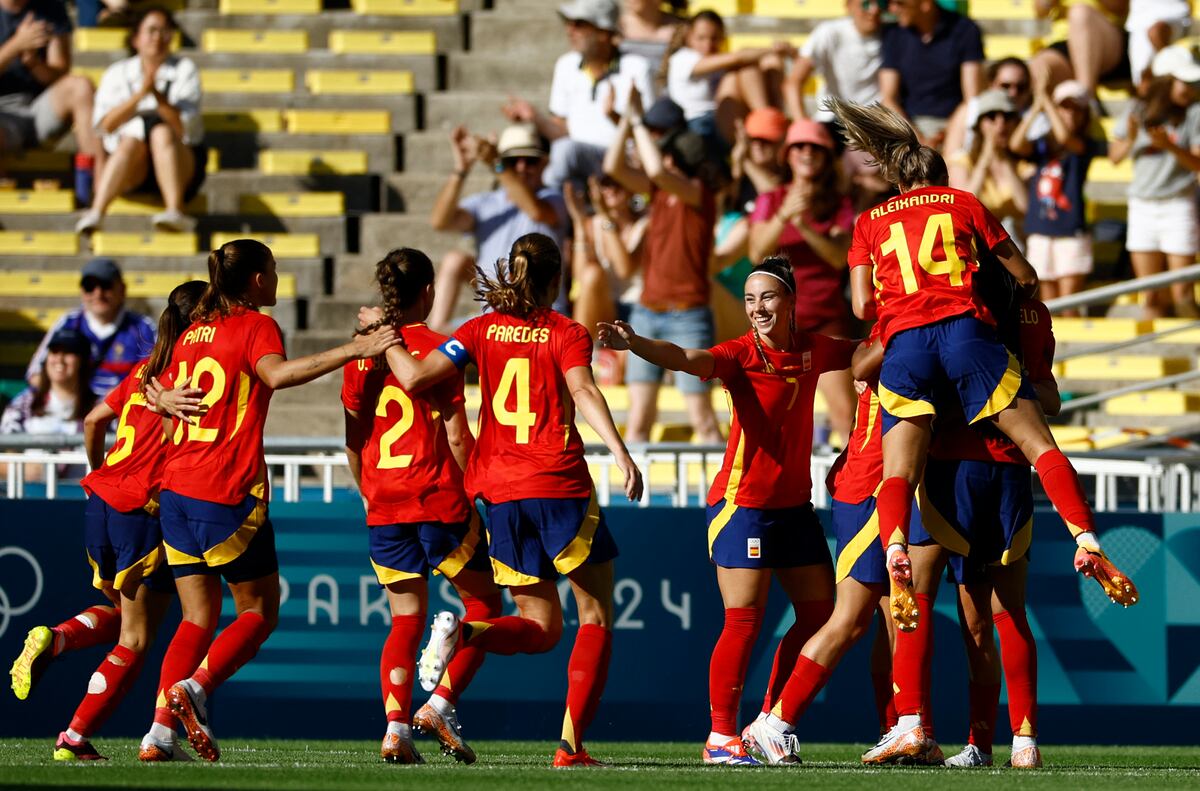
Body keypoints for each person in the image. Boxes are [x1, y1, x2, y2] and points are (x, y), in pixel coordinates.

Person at [826, 96, 1139, 765]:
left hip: (922, 394)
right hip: (991, 416)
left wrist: (894, 316)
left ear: (897, 176)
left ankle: (894, 575)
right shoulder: (972, 218)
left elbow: (860, 314)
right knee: (1006, 600)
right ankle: (1084, 541)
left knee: (896, 484)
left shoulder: (870, 221)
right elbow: (1027, 286)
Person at [372, 232, 643, 767]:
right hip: (558, 485)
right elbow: (585, 390)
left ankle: (456, 656)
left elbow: (417, 376)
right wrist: (620, 451)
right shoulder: (566, 332)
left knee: (541, 629)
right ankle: (570, 747)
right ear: (555, 280)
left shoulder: (477, 329)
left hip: (498, 493)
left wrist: (386, 336)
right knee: (594, 617)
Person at [137, 239, 399, 762]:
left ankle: (158, 734)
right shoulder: (255, 325)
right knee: (259, 611)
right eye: (274, 270)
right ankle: (196, 689)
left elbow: (148, 384)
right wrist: (355, 349)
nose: (277, 279)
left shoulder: (192, 330)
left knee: (195, 619)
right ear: (257, 279)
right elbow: (276, 375)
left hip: (176, 493)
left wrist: (160, 395)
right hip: (224, 490)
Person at [598, 258, 853, 766]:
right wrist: (637, 345)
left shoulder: (813, 348)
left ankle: (767, 725)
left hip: (795, 507)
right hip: (744, 507)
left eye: (768, 297)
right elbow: (686, 357)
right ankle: (720, 737)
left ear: (791, 301)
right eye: (751, 299)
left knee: (822, 613)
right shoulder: (740, 354)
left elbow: (870, 353)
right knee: (743, 621)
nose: (758, 308)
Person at [342, 248, 502, 765]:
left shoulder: (362, 353)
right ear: (429, 292)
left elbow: (353, 432)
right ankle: (440, 702)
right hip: (437, 497)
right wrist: (476, 490)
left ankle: (394, 729)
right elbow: (457, 434)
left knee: (404, 619)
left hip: (384, 501)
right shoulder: (441, 349)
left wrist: (367, 488)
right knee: (484, 608)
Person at [39, 281, 206, 762]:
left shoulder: (144, 369)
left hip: (100, 501)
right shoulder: (190, 376)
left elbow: (93, 421)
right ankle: (78, 734)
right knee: (137, 636)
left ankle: (61, 638)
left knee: (127, 621)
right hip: (141, 511)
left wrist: (98, 471)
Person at [734, 327, 914, 766]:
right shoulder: (898, 331)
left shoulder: (909, 332)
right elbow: (860, 365)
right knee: (850, 619)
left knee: (895, 618)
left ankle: (895, 728)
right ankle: (774, 724)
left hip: (881, 487)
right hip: (869, 489)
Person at [933, 273, 1059, 770]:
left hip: (968, 466)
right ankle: (997, 742)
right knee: (995, 614)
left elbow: (1047, 394)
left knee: (989, 616)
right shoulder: (1032, 313)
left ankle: (1006, 740)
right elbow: (1049, 396)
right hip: (1001, 468)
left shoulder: (949, 309)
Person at [603, 86, 724, 445]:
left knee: (702, 419)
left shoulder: (699, 192)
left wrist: (637, 119)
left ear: (678, 160)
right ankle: (634, 500)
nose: (660, 159)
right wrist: (626, 120)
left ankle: (720, 499)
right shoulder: (662, 189)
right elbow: (612, 166)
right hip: (647, 312)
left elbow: (654, 169)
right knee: (639, 420)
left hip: (688, 316)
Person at [747, 119, 857, 442]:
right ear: (787, 155)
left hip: (825, 322)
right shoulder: (771, 199)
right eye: (799, 146)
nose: (806, 153)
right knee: (769, 414)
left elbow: (839, 257)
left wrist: (804, 224)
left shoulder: (839, 203)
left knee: (845, 412)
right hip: (775, 325)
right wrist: (783, 215)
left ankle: (852, 489)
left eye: (815, 147)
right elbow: (756, 251)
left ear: (826, 156)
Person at [75, 5, 204, 235]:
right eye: (152, 30)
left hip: (180, 164)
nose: (158, 38)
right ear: (135, 38)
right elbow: (104, 126)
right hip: (133, 166)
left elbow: (187, 131)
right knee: (132, 138)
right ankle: (97, 210)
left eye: (164, 31)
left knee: (161, 133)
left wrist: (155, 95)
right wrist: (140, 95)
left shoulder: (185, 69)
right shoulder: (117, 72)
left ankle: (175, 208)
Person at [428, 124, 568, 332]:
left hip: (541, 317)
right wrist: (461, 170)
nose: (521, 167)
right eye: (513, 161)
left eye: (530, 160)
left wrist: (498, 163)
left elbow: (536, 211)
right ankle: (435, 332)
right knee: (454, 260)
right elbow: (441, 221)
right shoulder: (485, 202)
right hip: (494, 317)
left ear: (543, 164)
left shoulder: (554, 199)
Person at [502, 0, 654, 191]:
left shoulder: (637, 68)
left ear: (603, 32)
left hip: (621, 162)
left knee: (565, 152)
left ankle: (544, 194)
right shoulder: (565, 65)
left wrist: (615, 117)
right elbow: (562, 133)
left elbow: (648, 137)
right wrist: (535, 118)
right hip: (574, 164)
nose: (569, 30)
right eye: (568, 23)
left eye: (579, 24)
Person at [1109, 44, 1200, 318]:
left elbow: (1197, 163)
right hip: (1143, 206)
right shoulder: (1136, 110)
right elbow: (1115, 156)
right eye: (1185, 81)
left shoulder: (1195, 113)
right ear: (1167, 81)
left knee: (1183, 295)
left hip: (1178, 204)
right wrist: (1132, 139)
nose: (1191, 87)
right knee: (1150, 294)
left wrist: (1169, 146)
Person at [1011, 78, 1105, 306]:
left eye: (1076, 110)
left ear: (1085, 115)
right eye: (1064, 108)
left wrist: (1046, 101)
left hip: (1070, 232)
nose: (1070, 115)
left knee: (1070, 302)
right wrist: (1037, 107)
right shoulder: (1042, 145)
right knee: (1048, 306)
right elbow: (1015, 144)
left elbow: (1064, 137)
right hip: (1040, 231)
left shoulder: (1085, 144)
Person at [0, 0, 106, 179]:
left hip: (38, 109)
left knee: (80, 87)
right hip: (4, 115)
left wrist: (33, 64)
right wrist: (15, 46)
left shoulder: (50, 7)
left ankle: (101, 186)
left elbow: (58, 74)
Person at [26, 257, 157, 399]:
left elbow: (159, 380)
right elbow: (35, 375)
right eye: (89, 287)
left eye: (106, 286)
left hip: (122, 412)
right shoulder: (68, 323)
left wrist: (121, 396)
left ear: (122, 289)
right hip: (73, 411)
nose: (98, 293)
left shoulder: (144, 328)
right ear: (82, 291)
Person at [662, 9, 793, 146]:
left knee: (770, 63)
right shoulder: (683, 58)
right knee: (745, 68)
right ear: (688, 37)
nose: (708, 45)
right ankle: (769, 124)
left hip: (721, 120)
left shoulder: (718, 59)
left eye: (714, 38)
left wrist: (775, 56)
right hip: (700, 124)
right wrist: (774, 50)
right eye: (701, 38)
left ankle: (771, 120)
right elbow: (739, 57)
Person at [878, 0, 985, 149]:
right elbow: (888, 99)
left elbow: (971, 98)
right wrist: (917, 139)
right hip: (910, 125)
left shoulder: (965, 30)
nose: (892, 8)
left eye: (899, 3)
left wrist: (944, 136)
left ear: (925, 4)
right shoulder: (894, 35)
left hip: (955, 124)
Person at [563, 174, 646, 341]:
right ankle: (576, 352)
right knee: (592, 273)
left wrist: (606, 217)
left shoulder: (645, 224)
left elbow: (625, 270)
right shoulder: (593, 224)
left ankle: (578, 350)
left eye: (617, 184)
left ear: (631, 188)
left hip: (636, 309)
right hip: (604, 308)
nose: (610, 190)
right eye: (605, 185)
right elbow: (580, 278)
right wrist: (579, 223)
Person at [783, 0, 885, 129]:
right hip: (833, 122)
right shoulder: (829, 32)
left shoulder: (895, 36)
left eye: (882, 3)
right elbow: (793, 82)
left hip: (874, 125)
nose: (874, 10)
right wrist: (803, 126)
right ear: (849, 6)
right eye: (865, 4)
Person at [948, 89, 1029, 248]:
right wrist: (985, 159)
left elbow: (1026, 208)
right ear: (979, 124)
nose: (1001, 124)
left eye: (1007, 117)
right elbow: (965, 207)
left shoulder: (1023, 164)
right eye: (992, 117)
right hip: (977, 246)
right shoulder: (962, 162)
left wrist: (1004, 161)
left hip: (1016, 248)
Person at [2, 326, 94, 435]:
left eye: (69, 352)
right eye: (54, 351)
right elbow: (7, 445)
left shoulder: (99, 408)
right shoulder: (25, 403)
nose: (60, 359)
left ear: (83, 361)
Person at [1029, 0, 1129, 97]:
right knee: (1037, 71)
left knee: (1080, 14)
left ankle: (1085, 96)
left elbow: (1119, 7)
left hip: (1107, 40)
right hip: (1063, 40)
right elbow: (1041, 11)